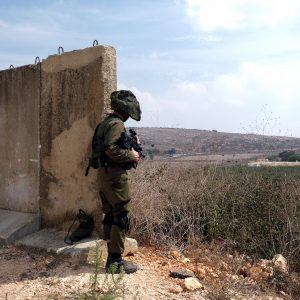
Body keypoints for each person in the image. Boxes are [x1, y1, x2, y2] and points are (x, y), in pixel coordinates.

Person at [95, 90, 141, 274]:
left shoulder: (106, 122)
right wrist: (132, 154)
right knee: (121, 215)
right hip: (114, 176)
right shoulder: (116, 125)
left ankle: (111, 256)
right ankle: (115, 261)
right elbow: (111, 150)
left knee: (112, 214)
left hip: (105, 175)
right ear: (125, 110)